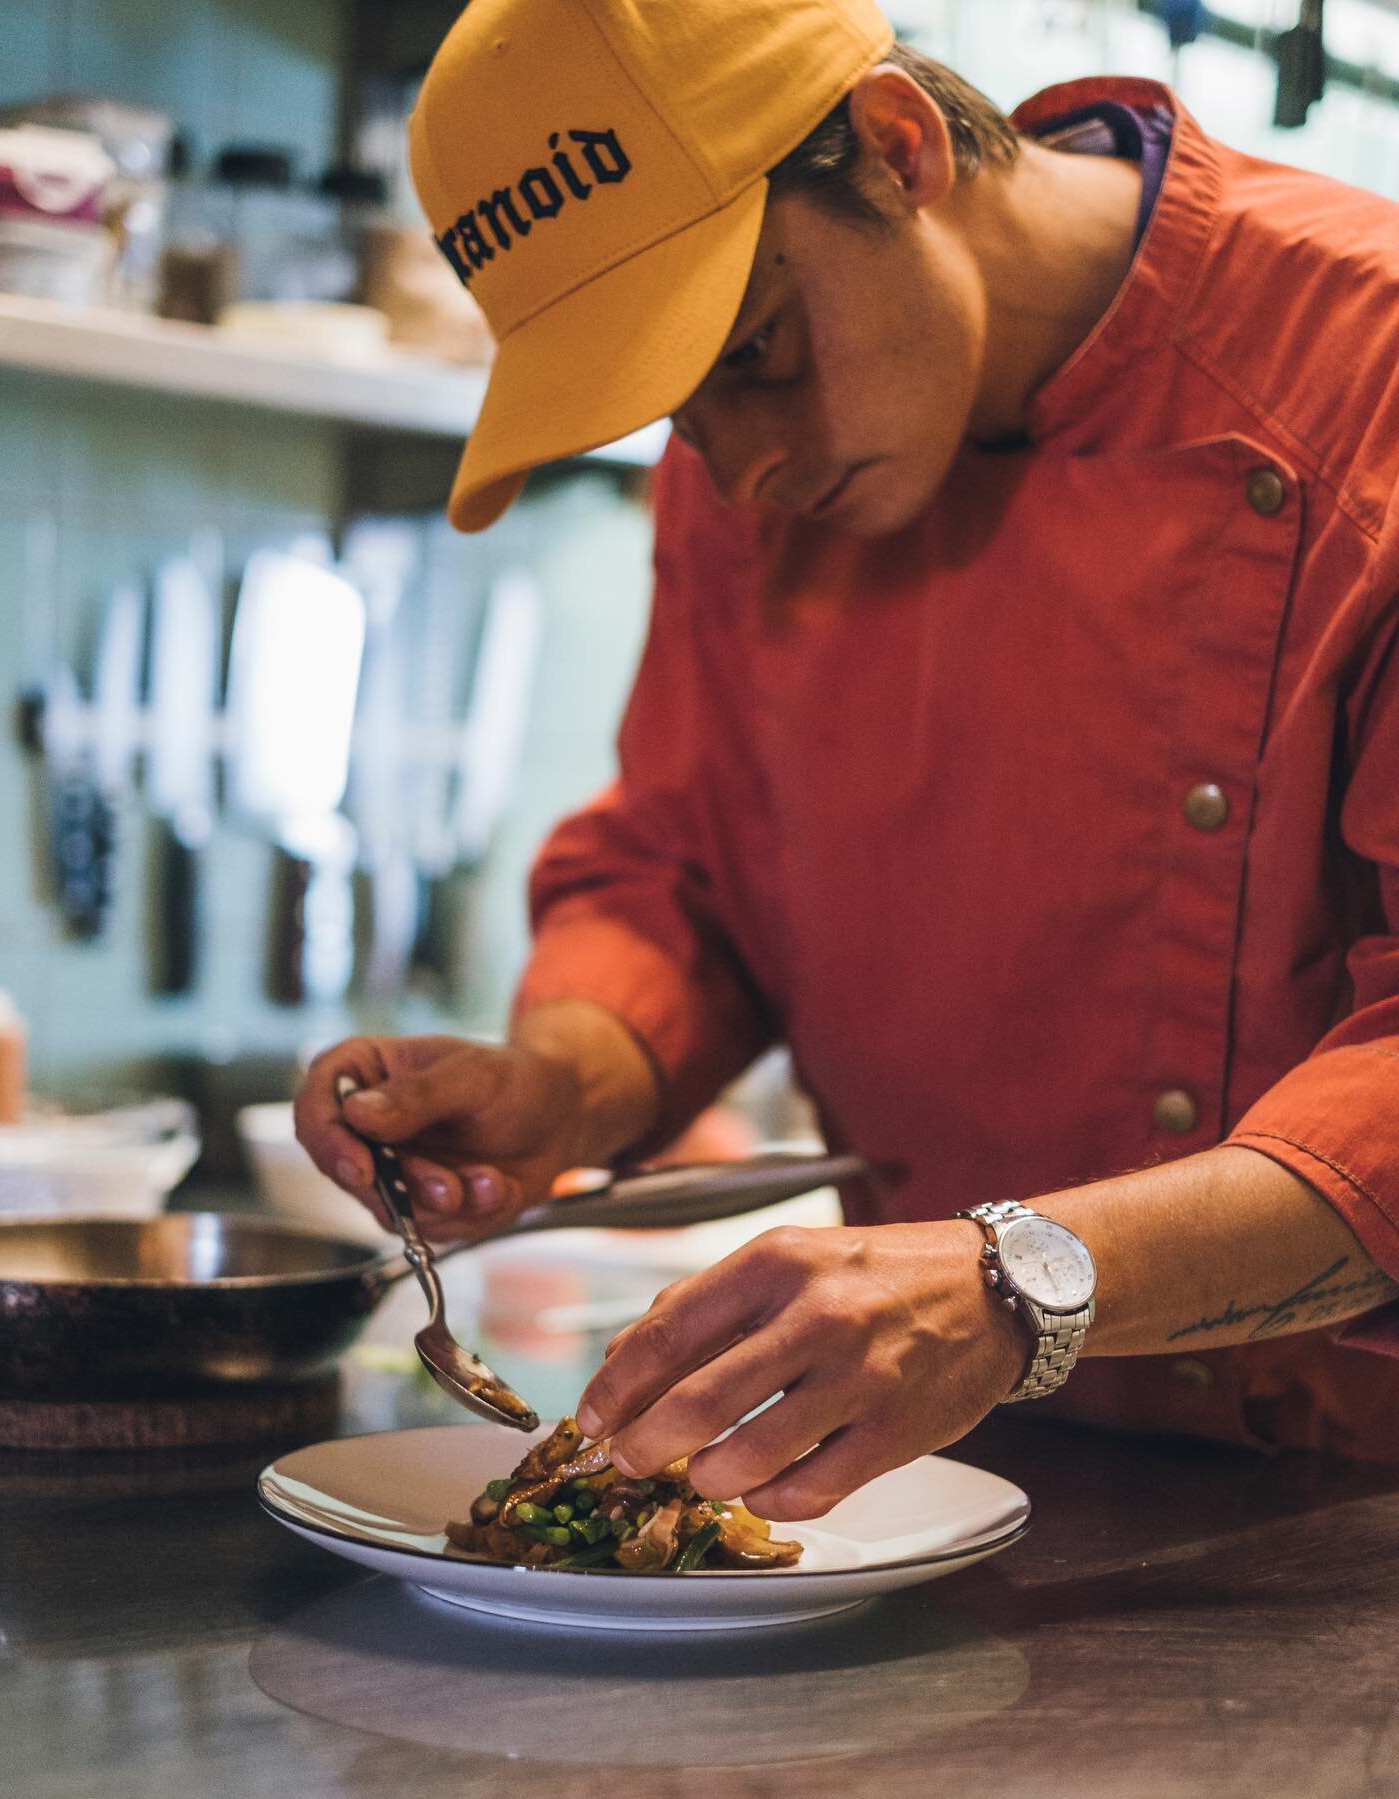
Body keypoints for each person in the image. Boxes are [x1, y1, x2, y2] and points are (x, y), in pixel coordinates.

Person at [296, 0, 1399, 1516]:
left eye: (752, 351)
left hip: (1354, 1499)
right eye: (673, 414)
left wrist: (1014, 1288)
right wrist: (561, 1080)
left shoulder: (1369, 374)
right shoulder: (767, 475)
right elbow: (690, 870)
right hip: (950, 1494)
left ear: (899, 147)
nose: (740, 468)